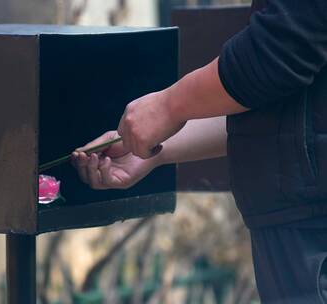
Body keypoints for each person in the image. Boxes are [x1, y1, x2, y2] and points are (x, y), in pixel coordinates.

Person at [71, 0, 327, 302]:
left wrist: (170, 106)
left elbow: (279, 49)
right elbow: (277, 106)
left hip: (312, 229)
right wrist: (155, 151)